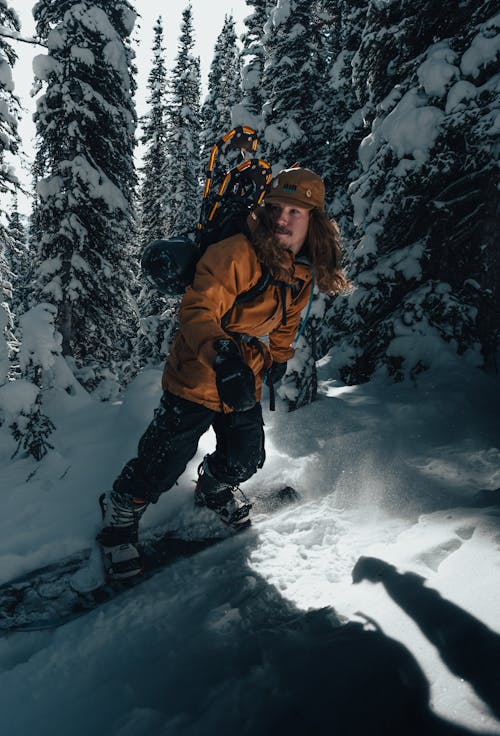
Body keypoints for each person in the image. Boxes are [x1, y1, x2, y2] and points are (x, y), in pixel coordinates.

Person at [98, 165, 351, 580]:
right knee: (162, 463)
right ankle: (120, 512)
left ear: (315, 222)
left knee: (247, 457)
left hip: (244, 371)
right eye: (277, 208)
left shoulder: (301, 269)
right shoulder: (236, 253)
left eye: (295, 212)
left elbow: (288, 319)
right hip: (197, 371)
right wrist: (220, 352)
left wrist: (279, 356)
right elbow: (198, 310)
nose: (283, 219)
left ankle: (213, 487)